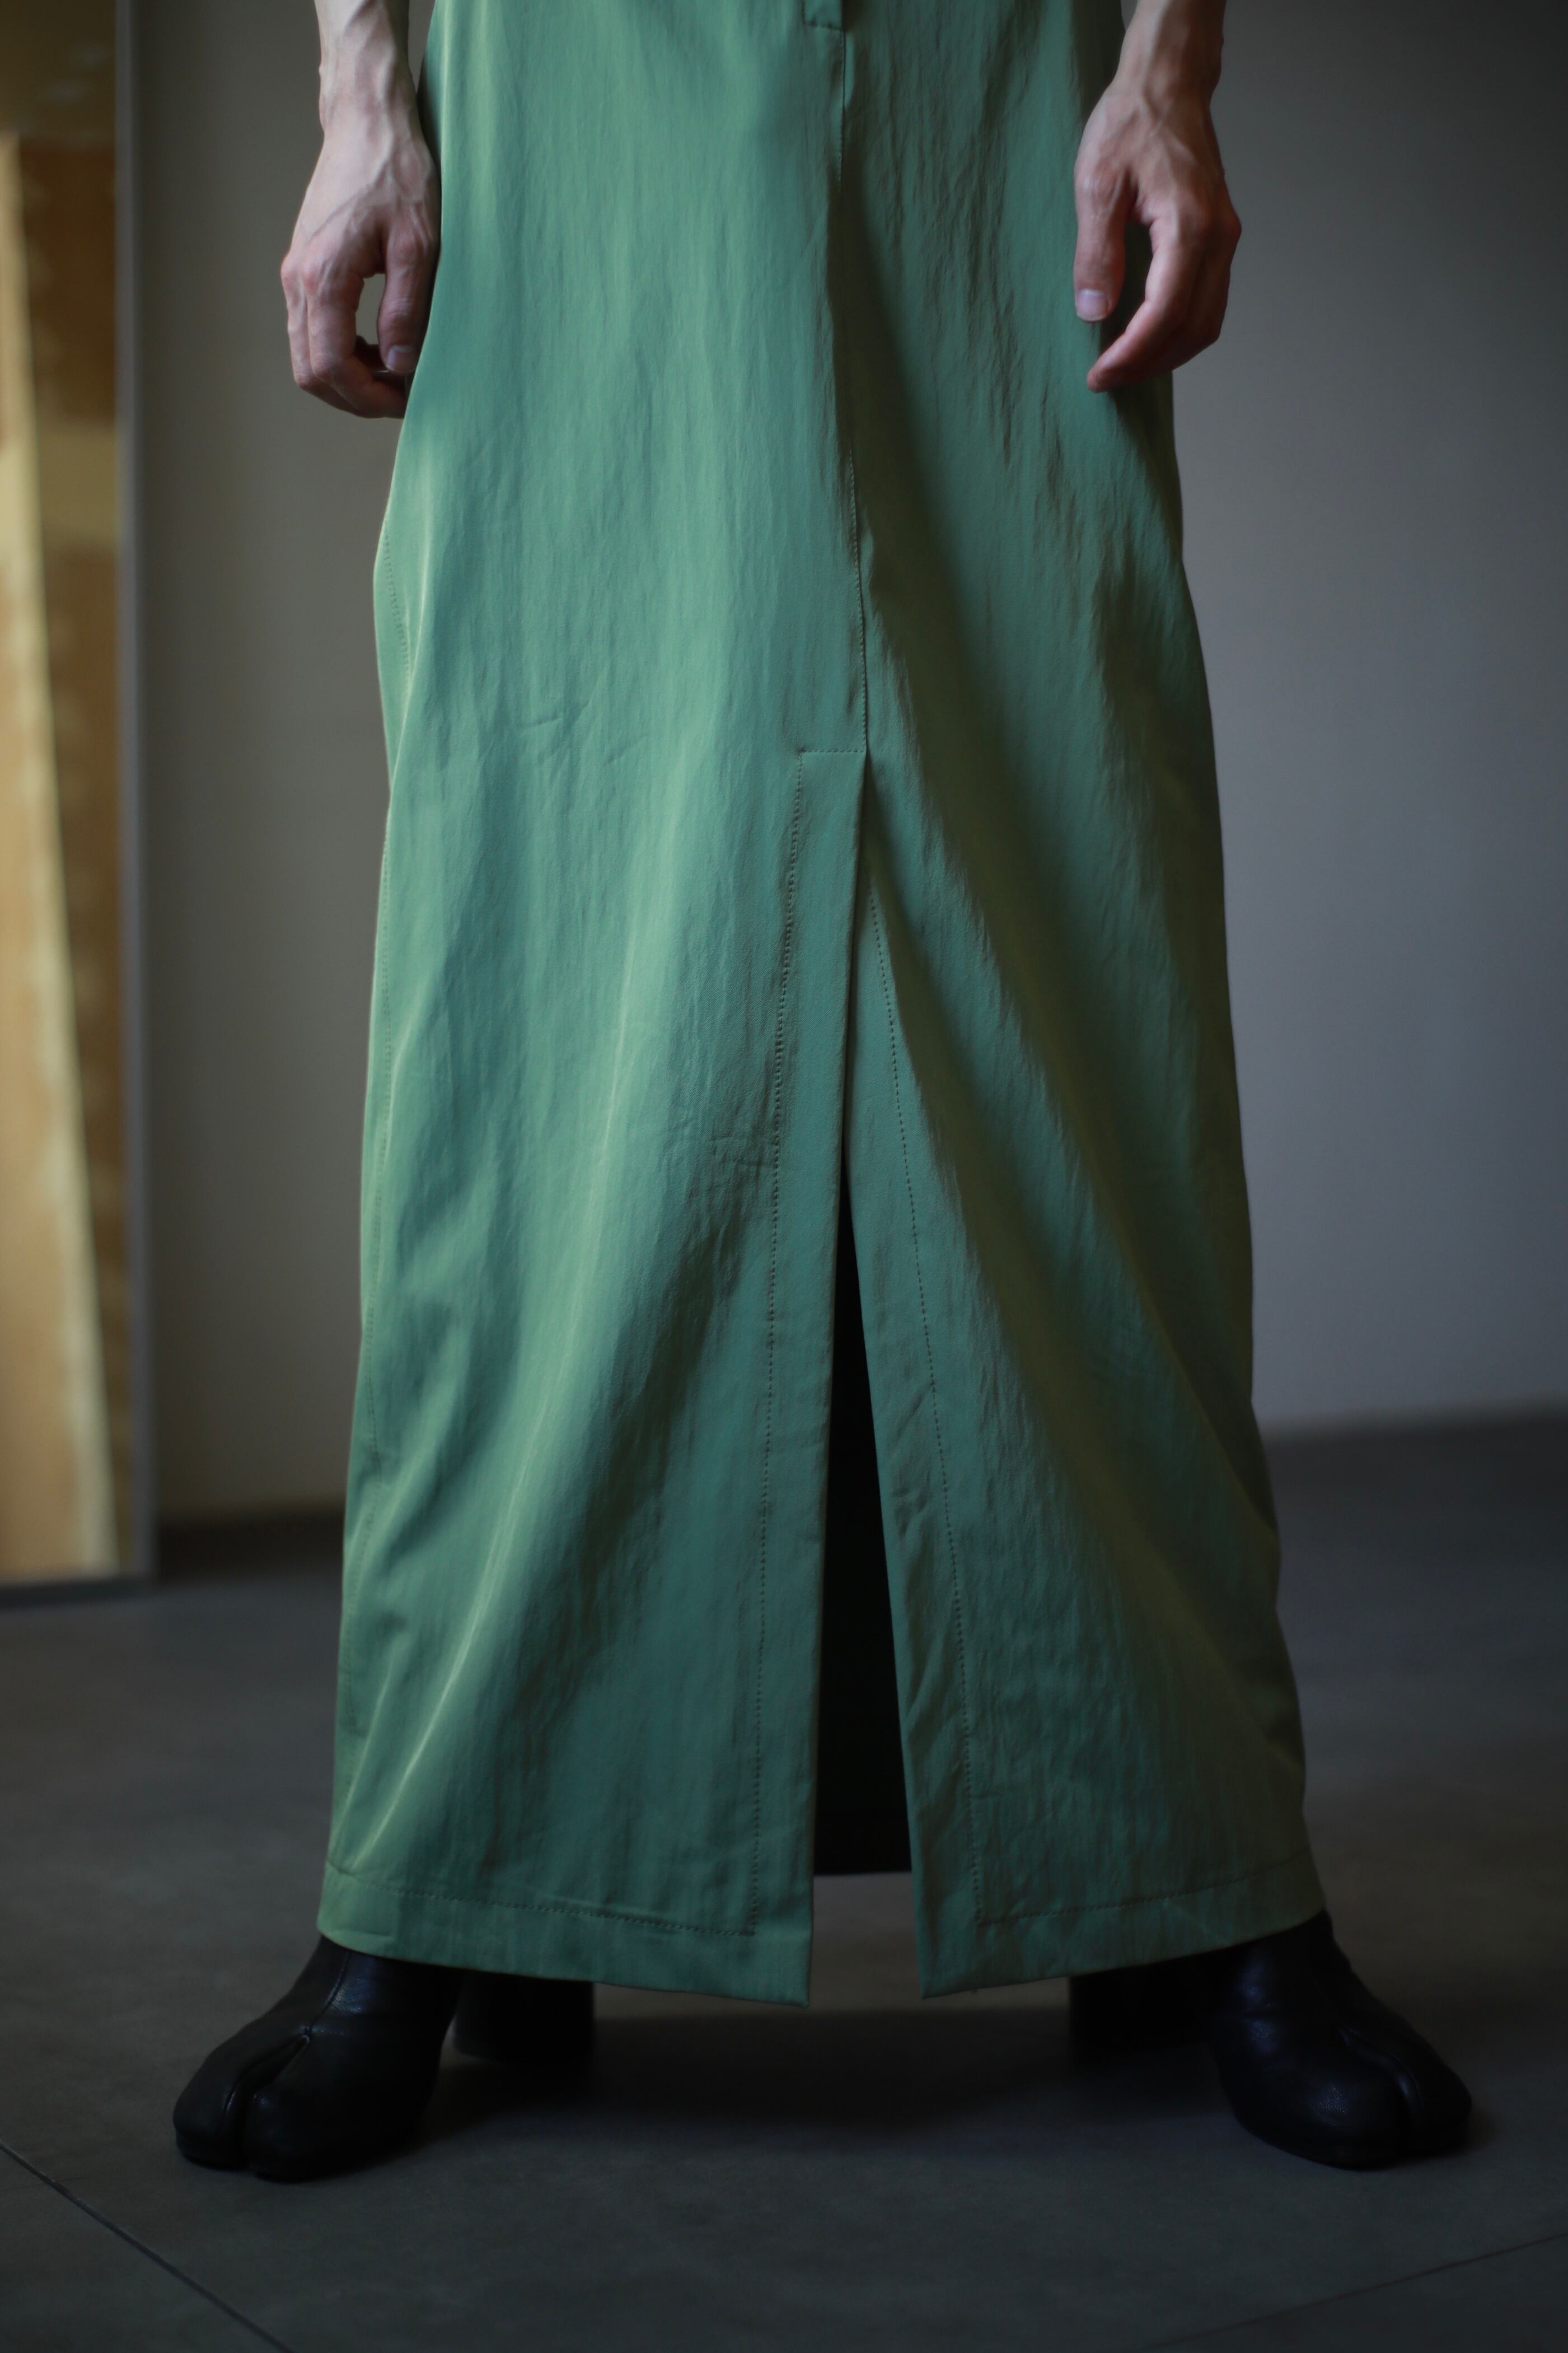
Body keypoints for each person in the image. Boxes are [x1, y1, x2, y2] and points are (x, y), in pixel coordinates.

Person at [175, 0, 1471, 2183]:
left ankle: (1187, 1865)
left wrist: (1167, 63)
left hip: (988, 80)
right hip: (563, 88)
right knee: (539, 990)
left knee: (1064, 950)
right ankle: (453, 1871)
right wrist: (360, 91)